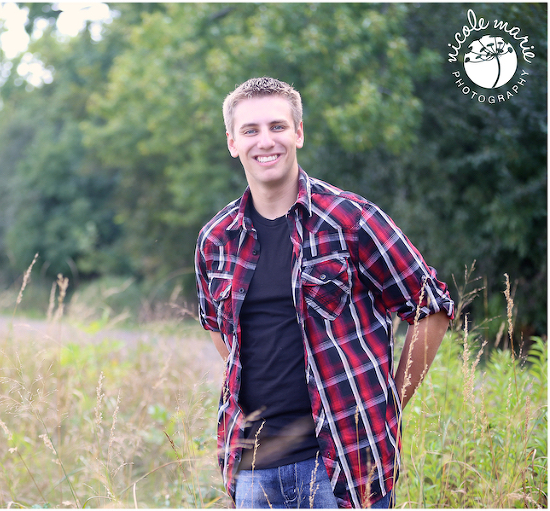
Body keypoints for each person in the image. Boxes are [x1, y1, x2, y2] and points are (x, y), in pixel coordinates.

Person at [194, 77, 454, 508]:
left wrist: (389, 400)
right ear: (232, 143)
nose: (266, 141)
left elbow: (433, 306)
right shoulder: (215, 238)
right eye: (251, 130)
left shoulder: (351, 220)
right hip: (253, 467)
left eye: (278, 126)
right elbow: (219, 330)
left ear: (298, 132)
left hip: (345, 464)